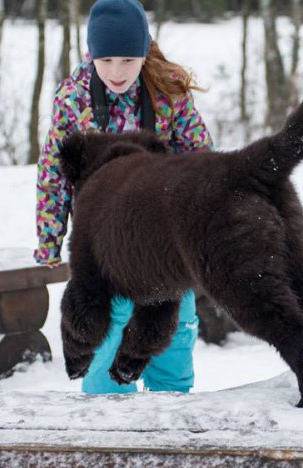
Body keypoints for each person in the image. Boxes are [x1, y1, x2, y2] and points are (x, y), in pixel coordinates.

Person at [33, 0, 213, 395]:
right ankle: (107, 417)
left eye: (128, 60)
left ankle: (171, 413)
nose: (117, 72)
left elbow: (201, 161)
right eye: (107, 60)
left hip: (163, 240)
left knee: (172, 336)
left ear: (144, 53)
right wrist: (49, 237)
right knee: (107, 335)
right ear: (92, 54)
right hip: (103, 242)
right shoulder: (73, 99)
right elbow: (54, 172)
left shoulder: (168, 92)